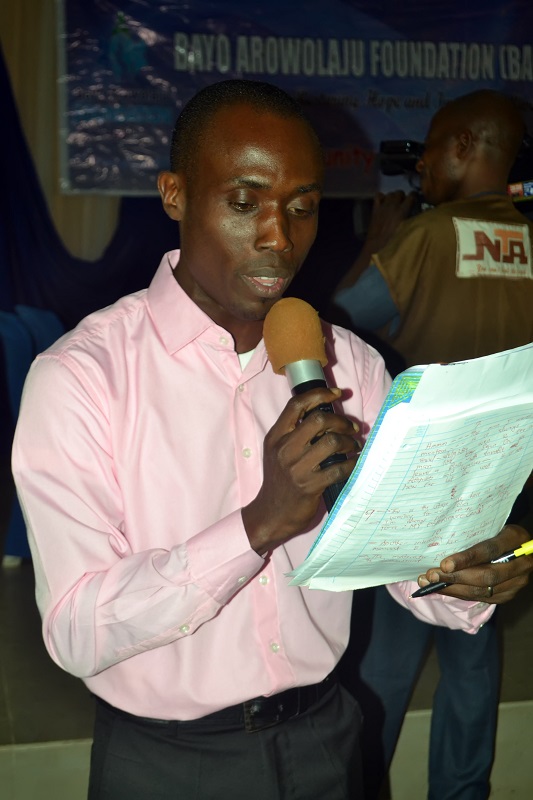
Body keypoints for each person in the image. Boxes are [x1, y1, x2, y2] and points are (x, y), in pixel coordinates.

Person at [11, 80, 532, 800]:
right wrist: (258, 524)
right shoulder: (81, 377)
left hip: (327, 738)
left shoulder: (351, 366)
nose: (279, 238)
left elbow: (412, 569)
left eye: (302, 207)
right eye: (243, 201)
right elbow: (76, 631)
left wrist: (474, 573)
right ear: (175, 195)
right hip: (166, 763)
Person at [330, 89, 533, 800]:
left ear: (462, 147)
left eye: (432, 147)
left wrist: (375, 243)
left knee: (386, 664)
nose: (421, 165)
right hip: (509, 493)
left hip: (418, 490)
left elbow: (335, 327)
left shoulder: (426, 236)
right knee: (475, 650)